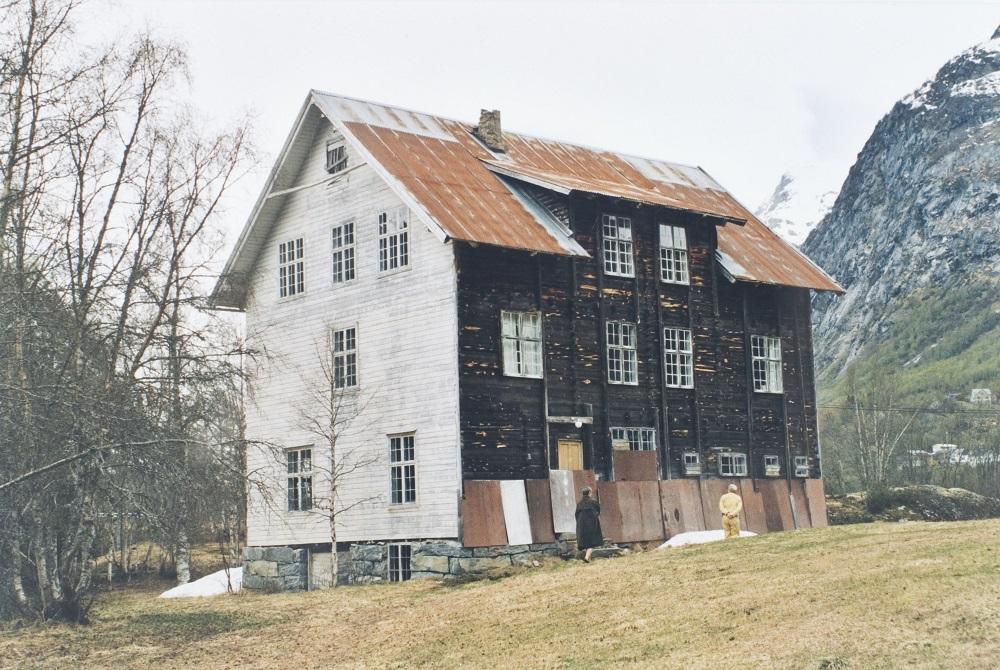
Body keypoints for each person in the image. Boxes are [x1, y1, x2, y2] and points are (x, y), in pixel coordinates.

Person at [575, 486, 602, 562]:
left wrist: (579, 523)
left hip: (582, 526)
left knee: (586, 541)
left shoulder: (579, 504)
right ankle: (587, 558)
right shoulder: (593, 502)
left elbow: (576, 515)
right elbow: (598, 511)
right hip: (591, 525)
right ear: (589, 493)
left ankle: (588, 557)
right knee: (591, 542)